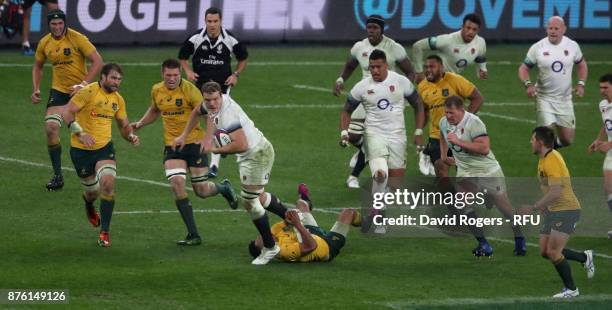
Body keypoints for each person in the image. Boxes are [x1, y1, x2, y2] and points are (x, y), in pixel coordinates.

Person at [174, 81, 289, 265]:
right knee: (256, 198)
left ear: (221, 96)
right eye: (208, 100)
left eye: (215, 99)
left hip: (256, 154)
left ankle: (270, 247)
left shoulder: (228, 114)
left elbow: (241, 144)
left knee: (250, 202)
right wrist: (184, 135)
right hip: (251, 154)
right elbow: (198, 112)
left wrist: (214, 149)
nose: (211, 104)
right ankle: (291, 218)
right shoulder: (211, 104)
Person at [130, 59, 239, 246]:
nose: (172, 78)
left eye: (175, 75)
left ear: (180, 73)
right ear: (162, 74)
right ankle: (193, 234)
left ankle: (223, 188)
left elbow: (209, 114)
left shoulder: (190, 90)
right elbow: (155, 110)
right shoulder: (157, 90)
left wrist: (207, 139)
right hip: (172, 146)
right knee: (177, 183)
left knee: (201, 191)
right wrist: (140, 123)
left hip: (194, 144)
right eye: (168, 75)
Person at [59, 63, 139, 247]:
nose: (116, 82)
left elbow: (123, 126)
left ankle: (105, 232)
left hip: (104, 148)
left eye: (119, 79)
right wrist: (81, 134)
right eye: (113, 78)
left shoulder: (118, 100)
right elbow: (67, 112)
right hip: (80, 150)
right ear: (102, 77)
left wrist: (131, 136)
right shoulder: (88, 92)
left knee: (108, 183)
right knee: (92, 193)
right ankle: (88, 205)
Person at [334, 15, 415, 188]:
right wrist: (341, 80)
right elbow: (350, 65)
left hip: (386, 99)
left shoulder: (394, 48)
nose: (371, 30)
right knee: (353, 136)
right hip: (365, 95)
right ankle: (366, 149)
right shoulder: (359, 47)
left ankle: (355, 175)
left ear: (382, 30)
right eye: (369, 27)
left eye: (375, 28)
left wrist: (404, 94)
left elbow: (410, 71)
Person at [439, 96, 526, 256]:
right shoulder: (444, 122)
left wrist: (458, 142)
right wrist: (444, 155)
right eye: (446, 112)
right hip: (466, 172)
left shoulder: (474, 123)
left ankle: (519, 237)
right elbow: (442, 136)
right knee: (462, 203)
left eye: (451, 113)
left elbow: (484, 148)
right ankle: (484, 244)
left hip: (488, 171)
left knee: (505, 208)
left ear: (461, 110)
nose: (448, 116)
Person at [31, 9, 103, 191]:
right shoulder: (44, 43)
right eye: (54, 24)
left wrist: (84, 84)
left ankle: (99, 169)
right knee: (51, 127)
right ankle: (57, 176)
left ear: (65, 23)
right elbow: (38, 66)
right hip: (59, 91)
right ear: (49, 25)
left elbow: (98, 61)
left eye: (60, 24)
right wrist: (36, 88)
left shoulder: (77, 38)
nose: (57, 27)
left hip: (81, 91)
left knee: (89, 134)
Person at [519, 126, 594, 298]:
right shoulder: (544, 158)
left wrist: (534, 208)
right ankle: (584, 257)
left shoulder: (551, 160)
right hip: (555, 211)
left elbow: (556, 191)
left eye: (532, 139)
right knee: (545, 251)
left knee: (554, 252)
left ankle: (571, 290)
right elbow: (549, 189)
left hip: (567, 210)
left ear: (540, 142)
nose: (530, 142)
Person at [178, 6, 248, 179]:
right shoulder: (196, 38)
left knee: (214, 121)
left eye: (215, 21)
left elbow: (243, 57)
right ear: (205, 21)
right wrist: (187, 71)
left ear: (221, 21)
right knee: (210, 122)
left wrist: (236, 75)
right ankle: (220, 144)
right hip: (200, 87)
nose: (212, 24)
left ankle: (214, 165)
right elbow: (182, 56)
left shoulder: (230, 39)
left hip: (222, 90)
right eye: (209, 21)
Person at [518, 16, 588, 148]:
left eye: (556, 28)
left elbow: (582, 65)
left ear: (564, 30)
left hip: (565, 99)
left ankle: (552, 147)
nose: (553, 31)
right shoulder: (538, 47)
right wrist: (528, 84)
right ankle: (544, 158)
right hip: (544, 98)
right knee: (546, 136)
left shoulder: (572, 46)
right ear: (546, 29)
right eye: (550, 28)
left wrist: (581, 84)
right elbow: (523, 68)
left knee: (567, 140)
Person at [248, 184, 360, 263]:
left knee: (300, 205)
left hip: (309, 231)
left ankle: (305, 200)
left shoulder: (272, 233)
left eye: (262, 236)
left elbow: (288, 220)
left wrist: (290, 217)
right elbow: (312, 245)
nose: (266, 235)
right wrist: (297, 224)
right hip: (327, 246)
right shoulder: (284, 252)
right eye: (264, 239)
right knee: (349, 213)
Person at [418, 55, 484, 177]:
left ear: (442, 67)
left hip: (461, 134)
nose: (428, 70)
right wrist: (418, 131)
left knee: (464, 172)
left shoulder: (455, 80)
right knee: (440, 167)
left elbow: (478, 98)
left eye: (432, 67)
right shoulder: (422, 86)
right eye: (425, 67)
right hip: (437, 135)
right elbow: (424, 111)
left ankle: (462, 194)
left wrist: (465, 121)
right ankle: (448, 196)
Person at [412, 13, 487, 84]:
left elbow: (480, 57)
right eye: (468, 28)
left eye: (474, 29)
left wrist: (482, 69)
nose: (470, 32)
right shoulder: (447, 40)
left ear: (478, 30)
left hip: (451, 81)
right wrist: (419, 72)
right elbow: (418, 46)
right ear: (462, 27)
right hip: (433, 81)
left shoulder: (480, 42)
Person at [588, 73, 612, 238]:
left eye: (606, 87)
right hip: (610, 151)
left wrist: (608, 145)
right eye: (601, 88)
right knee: (608, 188)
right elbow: (606, 124)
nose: (602, 91)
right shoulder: (603, 104)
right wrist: (598, 140)